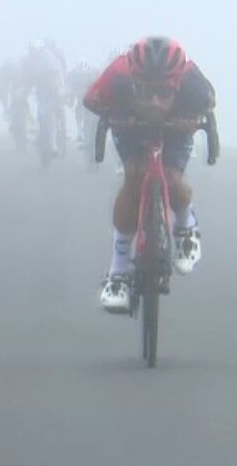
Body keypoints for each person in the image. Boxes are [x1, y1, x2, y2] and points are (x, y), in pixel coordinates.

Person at [83, 37, 216, 313]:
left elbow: (209, 105)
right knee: (133, 178)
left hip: (177, 126)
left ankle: (186, 226)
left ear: (177, 84)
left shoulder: (193, 83)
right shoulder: (118, 74)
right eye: (145, 91)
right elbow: (91, 100)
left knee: (173, 179)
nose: (154, 101)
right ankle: (117, 273)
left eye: (164, 92)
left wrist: (191, 118)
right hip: (130, 124)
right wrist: (114, 114)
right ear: (132, 81)